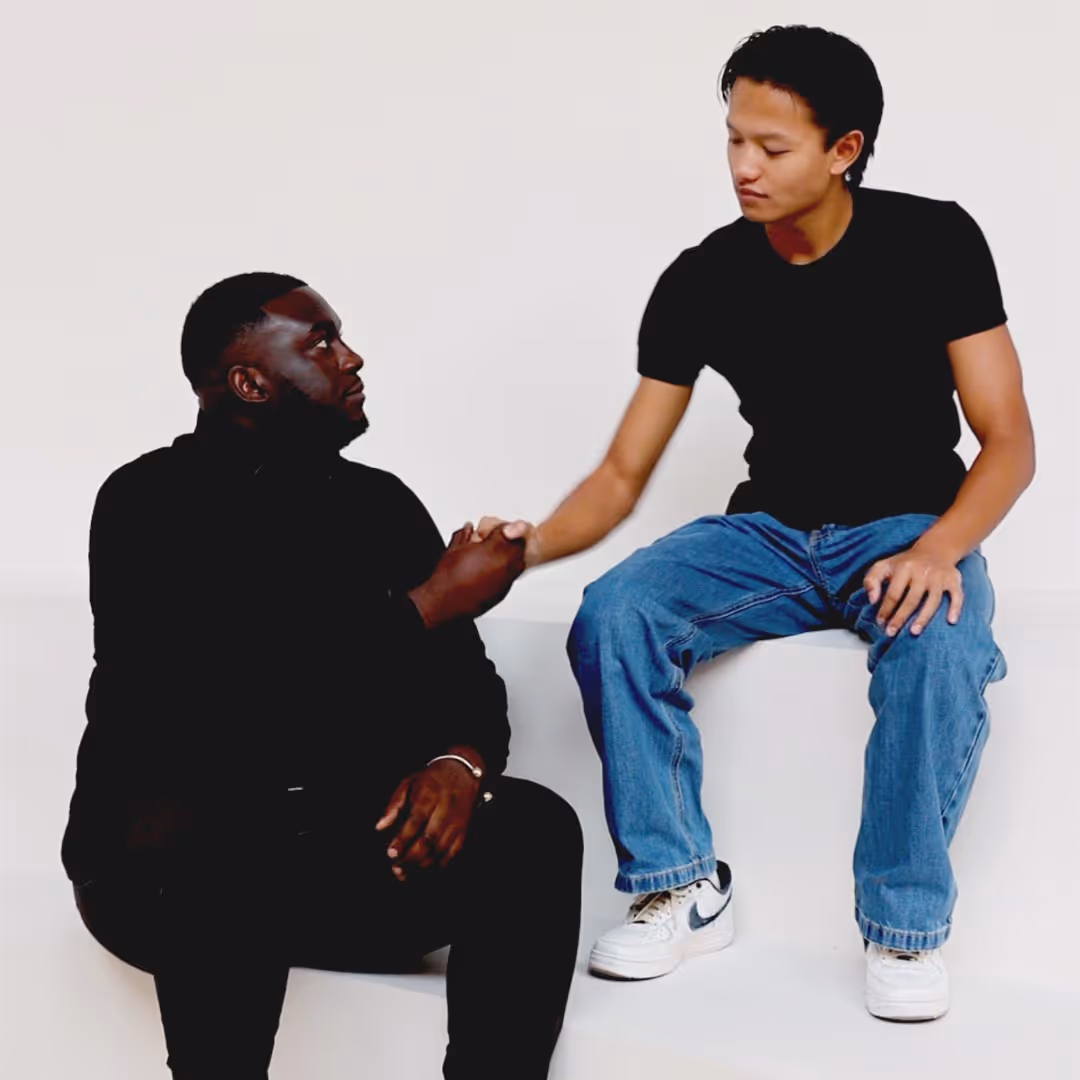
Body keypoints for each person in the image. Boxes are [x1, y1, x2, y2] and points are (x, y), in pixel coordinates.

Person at [476, 25, 1034, 1021]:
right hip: (769, 535)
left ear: (844, 150)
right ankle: (682, 884)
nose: (744, 166)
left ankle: (904, 928)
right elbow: (621, 473)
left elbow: (1009, 440)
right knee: (617, 611)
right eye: (734, 139)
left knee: (940, 646)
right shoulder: (704, 276)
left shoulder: (935, 240)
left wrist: (941, 547)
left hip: (905, 526)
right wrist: (524, 550)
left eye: (771, 147)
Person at [61, 272, 583, 1078]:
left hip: (332, 862)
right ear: (250, 383)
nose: (352, 358)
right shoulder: (147, 502)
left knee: (534, 828)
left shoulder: (381, 505)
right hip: (163, 873)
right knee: (227, 828)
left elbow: (467, 684)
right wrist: (429, 602)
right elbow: (209, 704)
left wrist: (458, 765)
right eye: (321, 343)